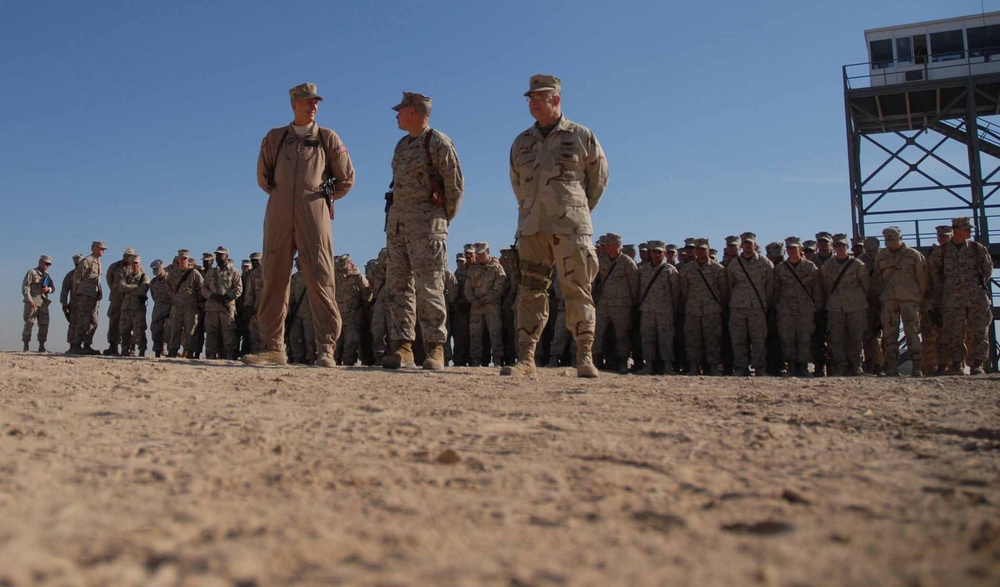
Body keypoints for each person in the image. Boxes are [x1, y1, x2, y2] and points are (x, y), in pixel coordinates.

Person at [501, 74, 609, 378]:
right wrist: (531, 211)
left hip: (571, 227)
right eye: (530, 98)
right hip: (532, 228)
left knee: (577, 290)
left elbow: (598, 180)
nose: (533, 102)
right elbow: (516, 183)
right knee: (530, 291)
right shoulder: (521, 142)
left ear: (556, 100)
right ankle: (526, 359)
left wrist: (577, 210)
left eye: (540, 97)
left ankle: (584, 356)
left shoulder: (580, 136)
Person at [246, 82, 356, 368]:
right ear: (294, 104)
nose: (313, 106)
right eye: (308, 102)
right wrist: (284, 197)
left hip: (314, 212)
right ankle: (272, 347)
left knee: (320, 277)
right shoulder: (275, 138)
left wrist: (319, 197)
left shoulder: (327, 138)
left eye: (315, 102)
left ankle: (326, 348)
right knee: (274, 278)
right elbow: (263, 176)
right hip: (279, 214)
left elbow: (346, 178)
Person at [382, 92, 464, 370]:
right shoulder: (401, 146)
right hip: (397, 227)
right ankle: (403, 346)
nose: (397, 115)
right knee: (398, 286)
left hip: (427, 228)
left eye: (401, 110)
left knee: (429, 286)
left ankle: (435, 348)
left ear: (414, 112)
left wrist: (440, 220)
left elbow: (454, 186)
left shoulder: (438, 142)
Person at [927, 216, 993, 375]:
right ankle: (957, 364)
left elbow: (987, 270)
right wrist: (947, 289)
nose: (970, 231)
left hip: (976, 297)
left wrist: (974, 285)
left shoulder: (977, 248)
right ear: (957, 230)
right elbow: (934, 274)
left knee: (979, 330)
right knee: (954, 331)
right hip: (952, 298)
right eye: (967, 228)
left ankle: (977, 364)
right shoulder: (941, 252)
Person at [873, 227, 927, 376]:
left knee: (913, 332)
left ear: (900, 238)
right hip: (889, 299)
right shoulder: (882, 255)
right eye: (888, 239)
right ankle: (891, 366)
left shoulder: (913, 255)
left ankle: (917, 366)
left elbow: (922, 278)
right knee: (890, 333)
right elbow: (877, 279)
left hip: (909, 299)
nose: (890, 241)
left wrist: (917, 296)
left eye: (893, 238)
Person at [820, 233, 869, 376]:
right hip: (835, 307)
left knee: (856, 337)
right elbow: (825, 285)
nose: (839, 248)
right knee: (837, 338)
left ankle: (857, 366)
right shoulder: (827, 266)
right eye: (836, 245)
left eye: (842, 245)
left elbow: (865, 285)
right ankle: (839, 367)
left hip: (856, 306)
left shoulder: (858, 265)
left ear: (847, 247)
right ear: (833, 248)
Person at [773, 237, 822, 377]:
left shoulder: (810, 267)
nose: (792, 251)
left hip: (805, 308)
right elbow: (776, 289)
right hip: (785, 309)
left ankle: (803, 366)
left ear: (800, 249)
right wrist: (777, 305)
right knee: (787, 338)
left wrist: (816, 306)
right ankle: (791, 366)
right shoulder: (780, 268)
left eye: (794, 248)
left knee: (804, 338)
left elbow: (816, 289)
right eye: (789, 248)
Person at [726, 232, 773, 376]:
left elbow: (770, 286)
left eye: (750, 243)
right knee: (738, 339)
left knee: (759, 339)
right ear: (741, 246)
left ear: (755, 245)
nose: (747, 246)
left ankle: (760, 368)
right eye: (745, 243)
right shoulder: (734, 264)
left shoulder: (765, 263)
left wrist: (765, 302)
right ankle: (741, 367)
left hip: (757, 307)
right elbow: (729, 285)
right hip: (738, 307)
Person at [680, 239, 729, 375]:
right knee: (692, 339)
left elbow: (723, 291)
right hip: (693, 310)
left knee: (712, 339)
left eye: (703, 249)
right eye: (698, 249)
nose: (700, 252)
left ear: (708, 250)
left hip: (711, 310)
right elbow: (684, 290)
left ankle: (713, 367)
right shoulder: (687, 269)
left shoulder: (718, 269)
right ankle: (694, 367)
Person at [593, 233, 639, 374]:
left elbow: (634, 285)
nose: (606, 247)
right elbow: (595, 280)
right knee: (597, 332)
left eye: (608, 244)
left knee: (622, 334)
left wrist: (632, 303)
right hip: (604, 303)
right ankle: (595, 361)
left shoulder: (627, 262)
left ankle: (623, 361)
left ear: (616, 246)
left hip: (622, 304)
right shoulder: (601, 261)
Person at [637, 241, 681, 374]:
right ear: (650, 253)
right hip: (647, 310)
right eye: (654, 252)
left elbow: (676, 293)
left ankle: (668, 366)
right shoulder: (643, 270)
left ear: (664, 254)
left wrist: (671, 307)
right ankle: (648, 365)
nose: (657, 255)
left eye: (660, 252)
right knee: (647, 338)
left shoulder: (670, 270)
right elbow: (638, 290)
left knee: (666, 339)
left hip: (664, 311)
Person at [466, 242, 507, 367]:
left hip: (491, 307)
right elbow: (467, 288)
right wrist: (473, 299)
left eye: (482, 253)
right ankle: (475, 360)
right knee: (475, 334)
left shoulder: (496, 268)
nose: (479, 256)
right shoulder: (473, 269)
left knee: (495, 333)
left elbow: (499, 287)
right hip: (476, 308)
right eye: (477, 254)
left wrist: (485, 299)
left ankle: (497, 360)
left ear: (488, 252)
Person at [202, 246, 243, 360]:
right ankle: (210, 356)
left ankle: (229, 356)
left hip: (226, 308)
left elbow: (239, 288)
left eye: (221, 254)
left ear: (227, 256)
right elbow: (204, 288)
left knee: (228, 333)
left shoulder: (233, 272)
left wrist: (228, 296)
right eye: (217, 255)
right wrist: (211, 296)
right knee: (211, 334)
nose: (218, 257)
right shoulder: (211, 272)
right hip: (212, 308)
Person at [69, 241, 107, 355]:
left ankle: (87, 344)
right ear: (95, 248)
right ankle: (76, 344)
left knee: (94, 321)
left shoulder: (98, 262)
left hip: (94, 296)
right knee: (83, 320)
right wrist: (78, 293)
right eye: (101, 249)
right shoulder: (87, 260)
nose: (103, 251)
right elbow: (77, 277)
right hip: (85, 295)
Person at [167, 249, 204, 358]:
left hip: (190, 308)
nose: (183, 261)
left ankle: (189, 352)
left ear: (188, 260)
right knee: (175, 329)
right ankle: (173, 351)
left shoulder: (194, 273)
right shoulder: (173, 273)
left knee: (190, 331)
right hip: (177, 306)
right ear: (178, 260)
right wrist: (173, 296)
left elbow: (202, 287)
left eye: (185, 259)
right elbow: (168, 285)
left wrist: (196, 299)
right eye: (181, 258)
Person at [104, 247, 136, 355]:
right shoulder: (114, 266)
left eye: (131, 256)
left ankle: (129, 348)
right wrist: (116, 291)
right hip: (116, 299)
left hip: (129, 300)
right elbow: (109, 279)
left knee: (129, 323)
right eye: (127, 255)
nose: (129, 258)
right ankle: (113, 346)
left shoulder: (136, 267)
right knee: (114, 322)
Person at [118, 254, 150, 357]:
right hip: (126, 307)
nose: (135, 265)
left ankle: (141, 350)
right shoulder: (126, 276)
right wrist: (134, 287)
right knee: (124, 330)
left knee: (139, 330)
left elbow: (142, 290)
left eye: (136, 263)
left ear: (139, 264)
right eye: (133, 263)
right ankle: (125, 349)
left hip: (138, 308)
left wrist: (128, 290)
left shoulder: (144, 277)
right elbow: (121, 287)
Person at [22, 255, 54, 352]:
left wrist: (48, 289)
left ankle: (42, 345)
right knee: (30, 322)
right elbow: (25, 288)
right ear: (40, 262)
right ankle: (26, 344)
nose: (47, 266)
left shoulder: (47, 276)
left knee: (44, 324)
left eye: (49, 264)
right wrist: (30, 300)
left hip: (43, 302)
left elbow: (53, 288)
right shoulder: (31, 272)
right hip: (33, 301)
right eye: (45, 263)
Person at [148, 259, 172, 358]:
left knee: (169, 330)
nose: (156, 271)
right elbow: (153, 295)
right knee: (155, 330)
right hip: (157, 308)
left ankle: (170, 351)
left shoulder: (170, 279)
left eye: (157, 269)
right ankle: (157, 351)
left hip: (169, 307)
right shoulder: (153, 282)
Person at [59, 254, 83, 347]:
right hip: (74, 303)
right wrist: (64, 304)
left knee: (85, 323)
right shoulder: (70, 275)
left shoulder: (87, 274)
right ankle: (72, 345)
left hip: (85, 303)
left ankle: (83, 344)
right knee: (73, 323)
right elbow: (64, 290)